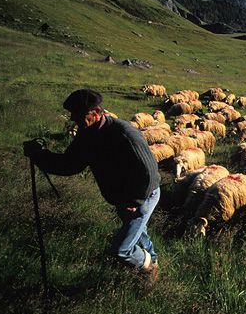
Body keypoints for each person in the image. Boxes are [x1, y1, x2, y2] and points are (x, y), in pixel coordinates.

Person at [23, 89, 161, 282]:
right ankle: (152, 257)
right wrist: (40, 155)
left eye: (81, 117)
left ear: (96, 112)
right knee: (137, 230)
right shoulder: (87, 135)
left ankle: (148, 269)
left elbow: (148, 171)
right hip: (123, 197)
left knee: (120, 250)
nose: (77, 122)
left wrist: (135, 200)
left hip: (143, 195)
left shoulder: (124, 134)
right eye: (75, 117)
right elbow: (69, 164)